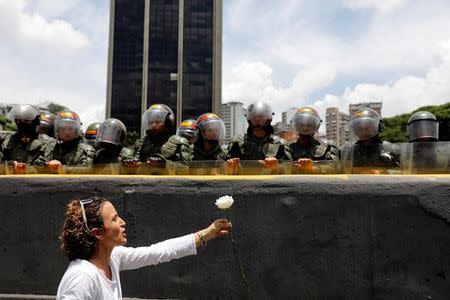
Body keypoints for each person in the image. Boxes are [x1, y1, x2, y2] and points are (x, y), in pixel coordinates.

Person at [57, 196, 231, 299]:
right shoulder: (81, 277)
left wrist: (207, 233)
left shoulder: (113, 258)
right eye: (115, 219)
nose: (122, 222)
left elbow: (158, 252)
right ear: (98, 233)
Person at [226, 101, 289, 174]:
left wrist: (276, 167)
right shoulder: (237, 142)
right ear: (249, 119)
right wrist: (230, 168)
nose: (257, 119)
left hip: (270, 184)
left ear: (268, 119)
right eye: (254, 116)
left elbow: (290, 169)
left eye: (261, 116)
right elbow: (222, 168)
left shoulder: (280, 144)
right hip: (244, 184)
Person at [342, 108, 399, 174]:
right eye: (360, 128)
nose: (364, 132)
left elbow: (403, 173)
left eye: (367, 128)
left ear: (379, 127)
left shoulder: (390, 149)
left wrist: (383, 171)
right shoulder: (350, 151)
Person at [288, 107, 340, 173]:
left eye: (309, 125)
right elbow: (282, 167)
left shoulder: (328, 148)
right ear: (296, 125)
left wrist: (312, 168)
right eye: (301, 125)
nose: (305, 128)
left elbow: (336, 168)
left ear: (315, 126)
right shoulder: (288, 148)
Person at [0, 104, 45, 174]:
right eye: (18, 120)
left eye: (26, 121)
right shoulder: (6, 140)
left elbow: (52, 166)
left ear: (35, 122)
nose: (21, 123)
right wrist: (10, 164)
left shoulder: (46, 142)